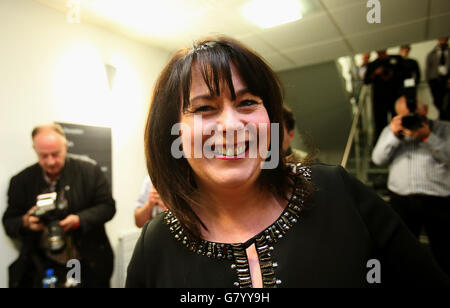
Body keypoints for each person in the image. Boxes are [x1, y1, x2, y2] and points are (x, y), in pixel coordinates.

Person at [126, 36, 449, 288]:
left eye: (247, 102)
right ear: (173, 134)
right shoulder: (156, 243)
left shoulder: (337, 193)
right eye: (204, 108)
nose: (232, 125)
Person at [2, 124, 116, 288]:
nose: (50, 161)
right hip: (43, 265)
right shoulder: (21, 181)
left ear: (65, 145)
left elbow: (108, 207)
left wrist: (79, 219)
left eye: (55, 154)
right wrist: (26, 222)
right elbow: (9, 222)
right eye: (43, 156)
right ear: (35, 150)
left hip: (86, 262)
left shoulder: (89, 171)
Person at [372, 96, 450, 276]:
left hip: (438, 200)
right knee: (400, 253)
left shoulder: (444, 129)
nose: (410, 119)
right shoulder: (391, 132)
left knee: (444, 252)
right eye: (404, 116)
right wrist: (393, 135)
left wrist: (428, 137)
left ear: (424, 109)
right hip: (402, 199)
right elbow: (377, 159)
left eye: (413, 114)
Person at [364, 50, 405, 142]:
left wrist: (391, 72)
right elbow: (366, 80)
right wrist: (375, 73)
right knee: (380, 123)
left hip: (395, 96)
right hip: (380, 98)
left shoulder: (396, 59)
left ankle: (402, 141)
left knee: (398, 120)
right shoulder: (373, 64)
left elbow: (405, 74)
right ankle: (382, 143)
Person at [426, 37, 450, 120]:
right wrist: (430, 81)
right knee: (438, 102)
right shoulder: (431, 53)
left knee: (446, 103)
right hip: (435, 81)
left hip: (447, 80)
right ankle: (443, 118)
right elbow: (428, 69)